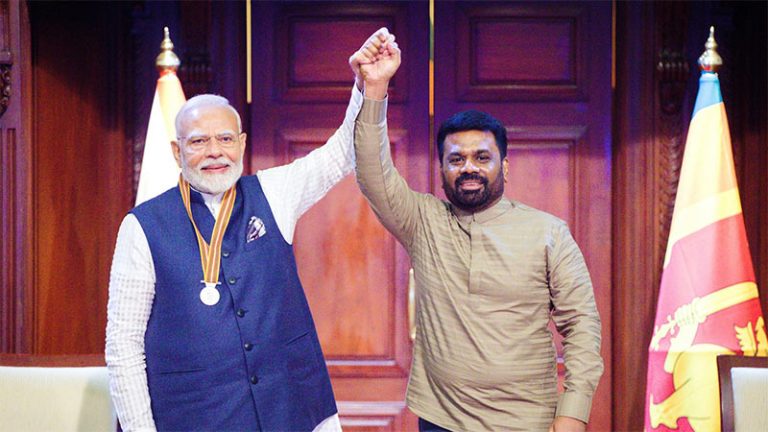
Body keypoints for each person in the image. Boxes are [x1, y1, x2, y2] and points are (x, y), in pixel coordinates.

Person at [105, 30, 386, 432]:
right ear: (177, 151)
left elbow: (341, 153)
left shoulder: (273, 192)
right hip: (191, 418)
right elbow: (124, 345)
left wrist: (367, 87)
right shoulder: (141, 225)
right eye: (199, 142)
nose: (214, 152)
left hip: (288, 409)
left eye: (224, 139)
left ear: (241, 143)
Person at [350, 29, 603, 432]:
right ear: (442, 169)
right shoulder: (423, 221)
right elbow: (371, 172)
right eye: (456, 159)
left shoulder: (549, 233)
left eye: (482, 157)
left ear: (505, 166)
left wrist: (572, 413)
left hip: (527, 421)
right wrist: (375, 88)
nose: (469, 167)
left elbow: (582, 325)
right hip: (441, 419)